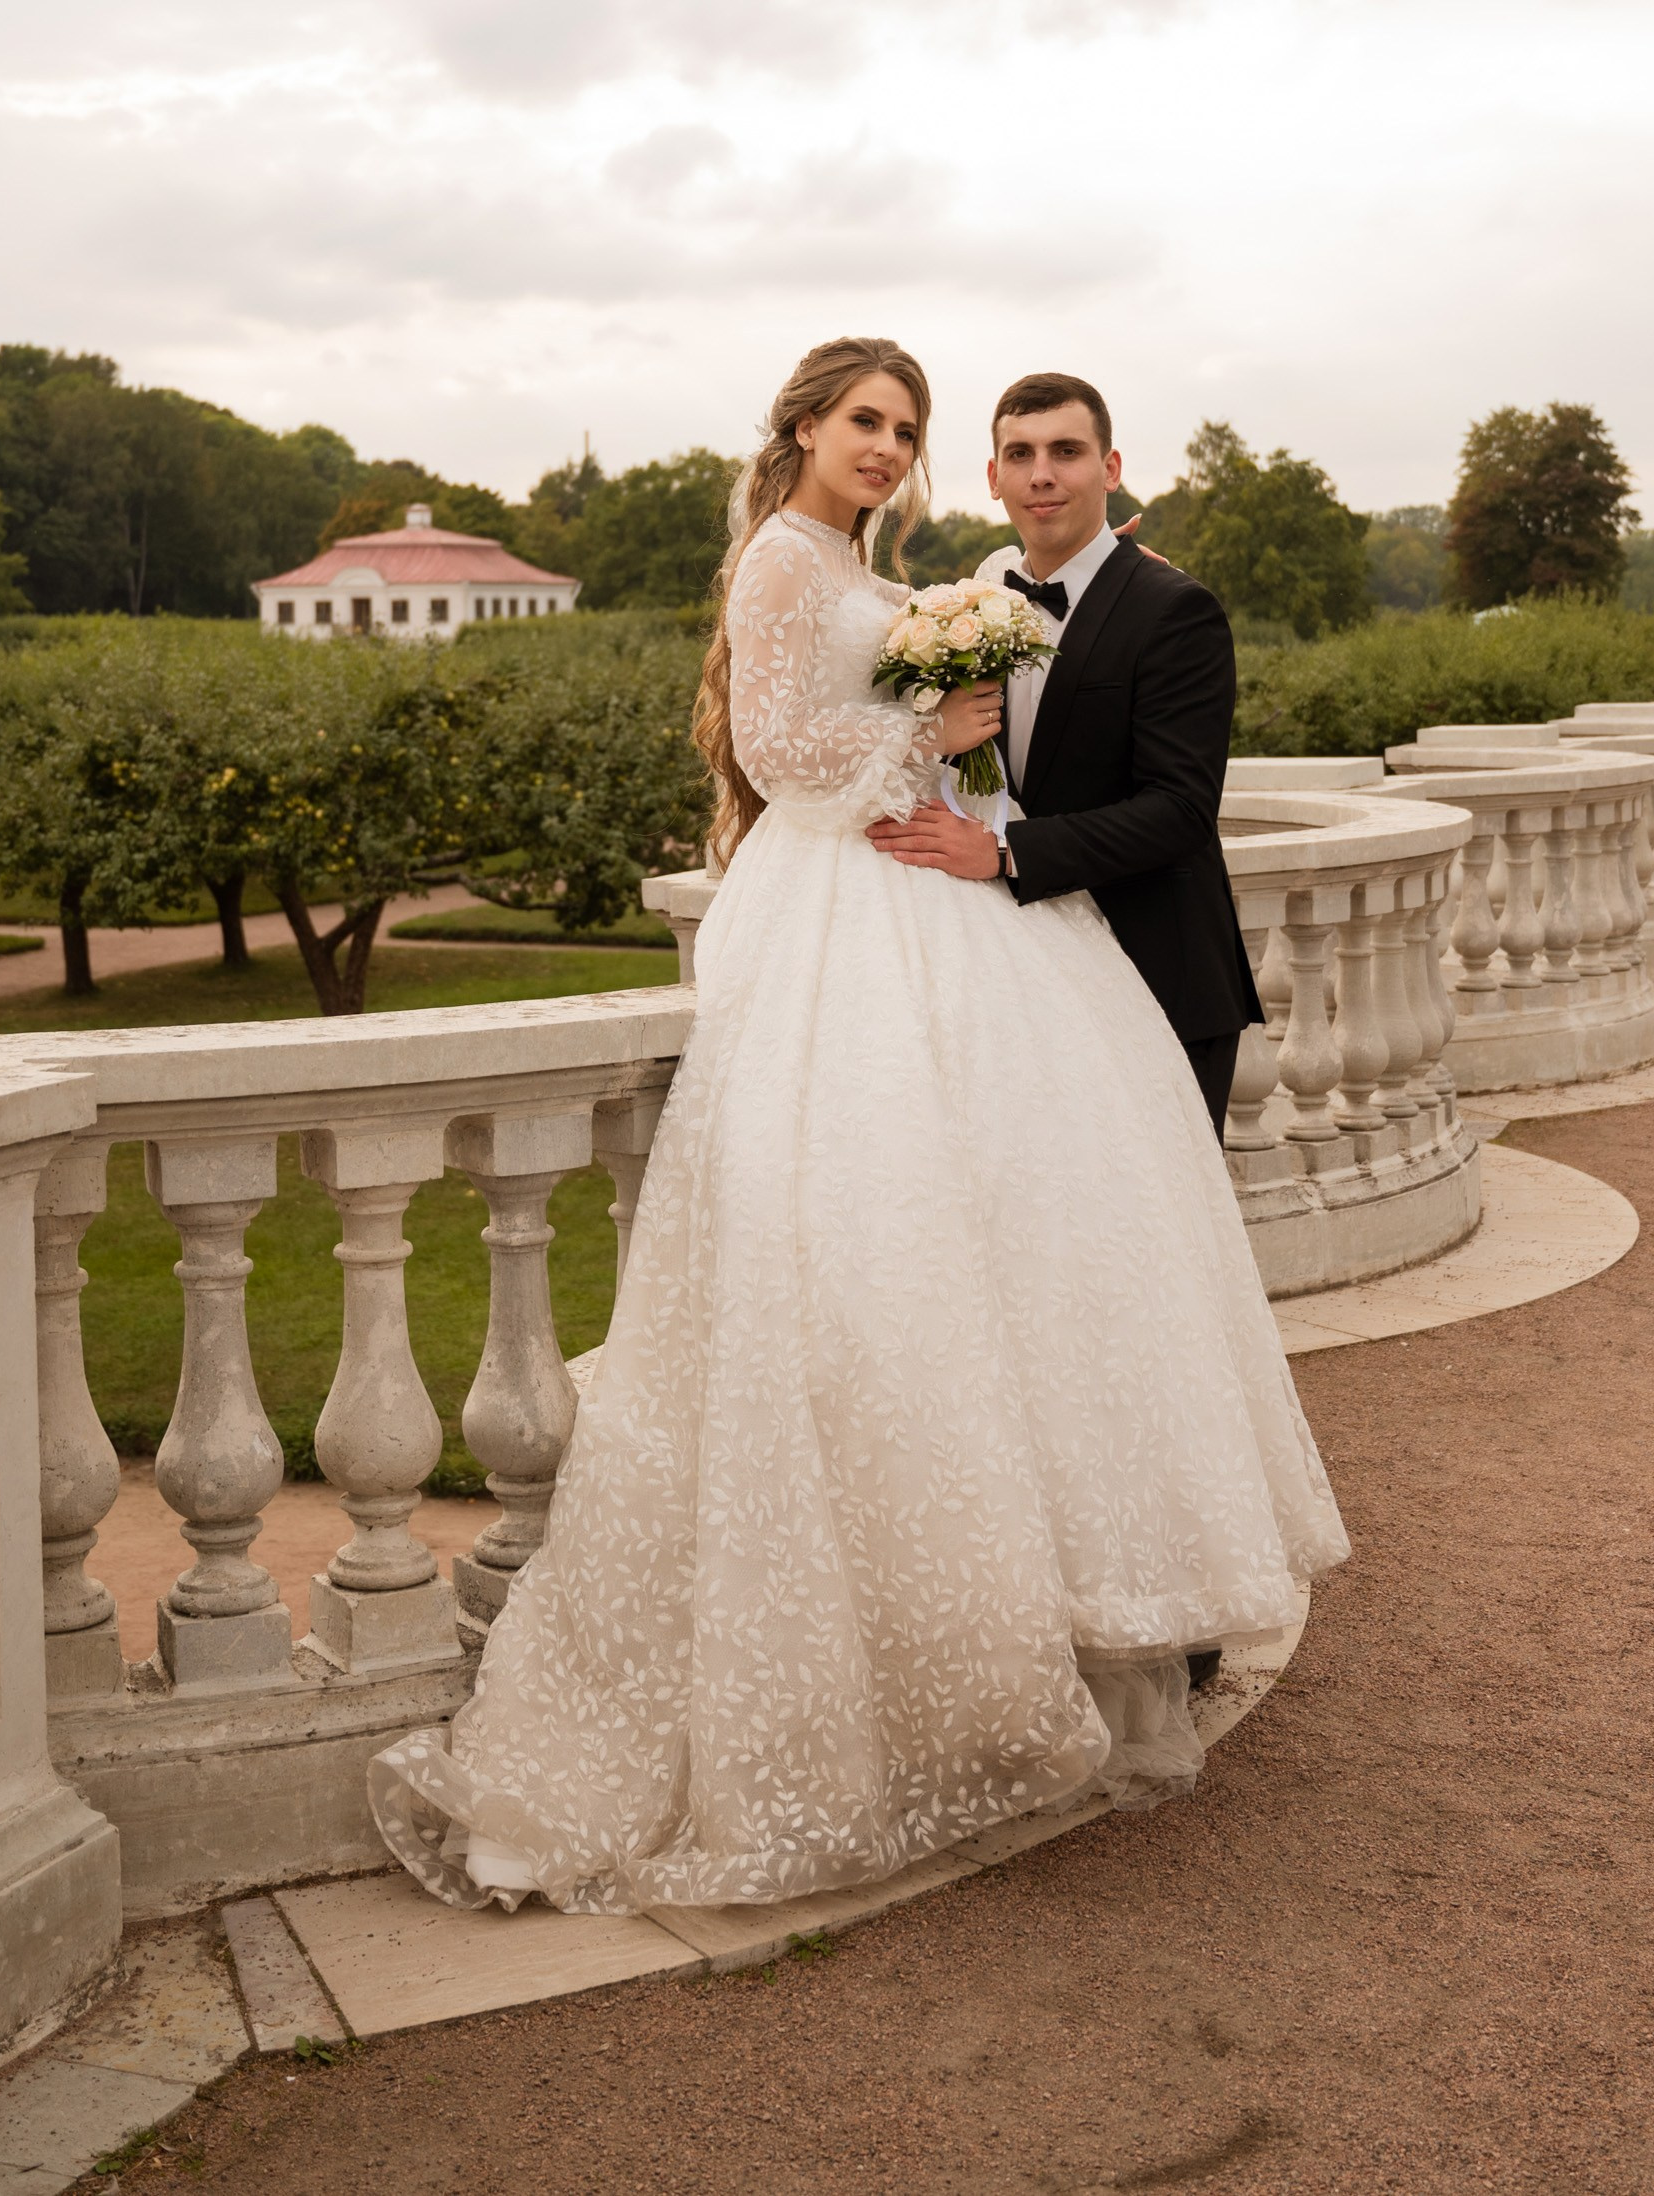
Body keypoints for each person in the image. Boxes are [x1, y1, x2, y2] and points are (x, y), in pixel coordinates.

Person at [368, 336, 1346, 1918]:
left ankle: (1087, 1618)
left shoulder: (950, 581)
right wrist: (928, 740)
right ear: (807, 428)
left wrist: (956, 771)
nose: (889, 447)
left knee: (1014, 1263)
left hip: (967, 906)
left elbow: (1159, 796)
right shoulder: (786, 559)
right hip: (849, 913)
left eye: (908, 427)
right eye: (867, 423)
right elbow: (777, 753)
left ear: (1102, 468)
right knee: (867, 1267)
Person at [867, 372, 1263, 1136]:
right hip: (1023, 986)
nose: (1041, 474)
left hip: (1158, 977)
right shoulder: (973, 605)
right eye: (1020, 454)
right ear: (994, 477)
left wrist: (1003, 852)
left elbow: (1181, 810)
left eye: (1066, 452)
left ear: (1110, 469)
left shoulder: (1175, 609)